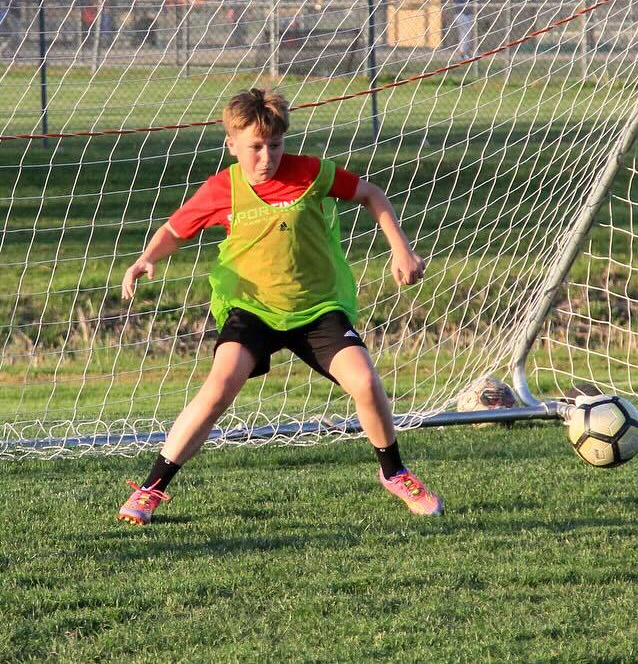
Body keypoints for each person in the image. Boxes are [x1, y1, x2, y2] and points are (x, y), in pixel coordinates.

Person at [116, 88, 438, 526]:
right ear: (231, 144)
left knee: (365, 382)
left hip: (317, 306)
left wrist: (400, 248)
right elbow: (175, 230)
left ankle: (395, 473)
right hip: (252, 309)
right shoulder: (222, 188)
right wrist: (146, 259)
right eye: (255, 147)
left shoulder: (311, 172)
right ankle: (150, 488)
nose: (266, 157)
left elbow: (370, 193)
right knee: (219, 387)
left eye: (275, 145)